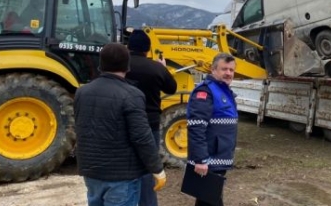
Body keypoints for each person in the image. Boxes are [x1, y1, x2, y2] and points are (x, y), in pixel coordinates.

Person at [74, 43, 167, 206]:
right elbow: (142, 137)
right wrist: (157, 168)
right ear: (127, 66)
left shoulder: (82, 92)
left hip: (91, 172)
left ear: (100, 65)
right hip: (122, 176)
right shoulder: (132, 95)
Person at [125, 29, 177, 206]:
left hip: (123, 124)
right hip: (149, 124)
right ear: (148, 49)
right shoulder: (155, 68)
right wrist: (162, 68)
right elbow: (172, 88)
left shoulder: (119, 67)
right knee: (148, 167)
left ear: (128, 47)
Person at [186, 53, 238, 206]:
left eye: (231, 70)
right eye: (224, 69)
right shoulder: (206, 92)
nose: (228, 73)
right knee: (209, 200)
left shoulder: (223, 91)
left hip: (218, 158)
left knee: (208, 200)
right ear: (213, 70)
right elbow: (196, 127)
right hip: (209, 160)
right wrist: (200, 159)